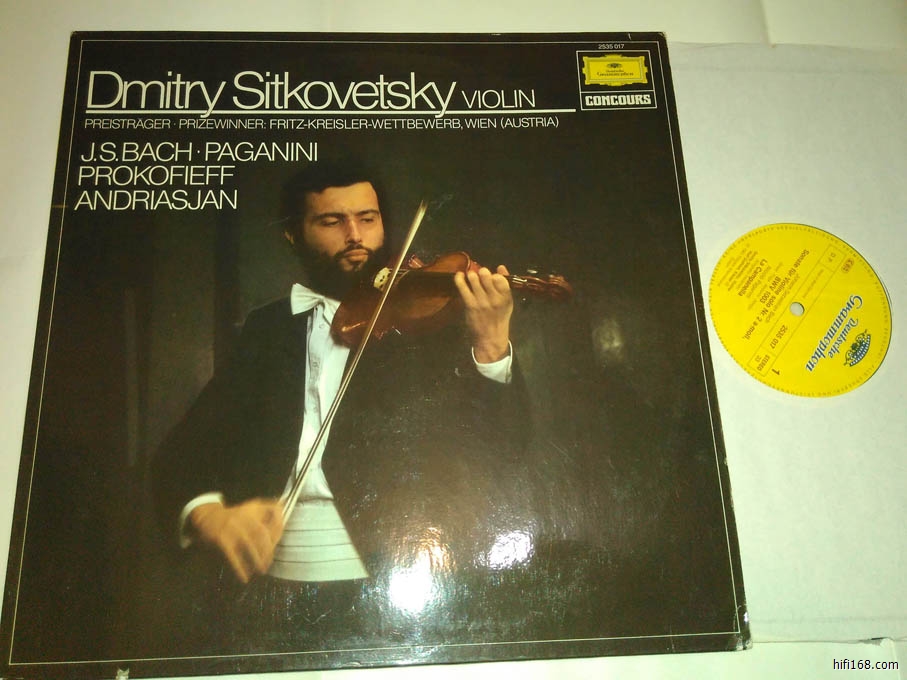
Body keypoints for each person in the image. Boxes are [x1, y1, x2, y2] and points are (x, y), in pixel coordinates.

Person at [152, 161, 531, 652]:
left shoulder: (425, 322)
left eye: (367, 219)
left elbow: (501, 451)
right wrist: (210, 515)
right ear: (294, 235)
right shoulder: (268, 328)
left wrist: (492, 342)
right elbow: (183, 451)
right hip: (267, 587)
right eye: (332, 221)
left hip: (385, 580)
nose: (355, 235)